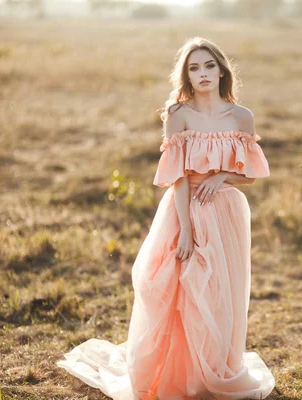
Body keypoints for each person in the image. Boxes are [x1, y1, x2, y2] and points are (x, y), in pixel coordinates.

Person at [56, 36, 275, 400]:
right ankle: (179, 374)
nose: (203, 73)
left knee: (220, 294)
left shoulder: (241, 116)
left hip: (227, 213)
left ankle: (212, 371)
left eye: (209, 66)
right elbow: (176, 177)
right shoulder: (179, 114)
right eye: (194, 67)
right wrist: (186, 229)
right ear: (186, 75)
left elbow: (250, 173)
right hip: (183, 210)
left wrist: (222, 176)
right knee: (174, 288)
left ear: (222, 70)